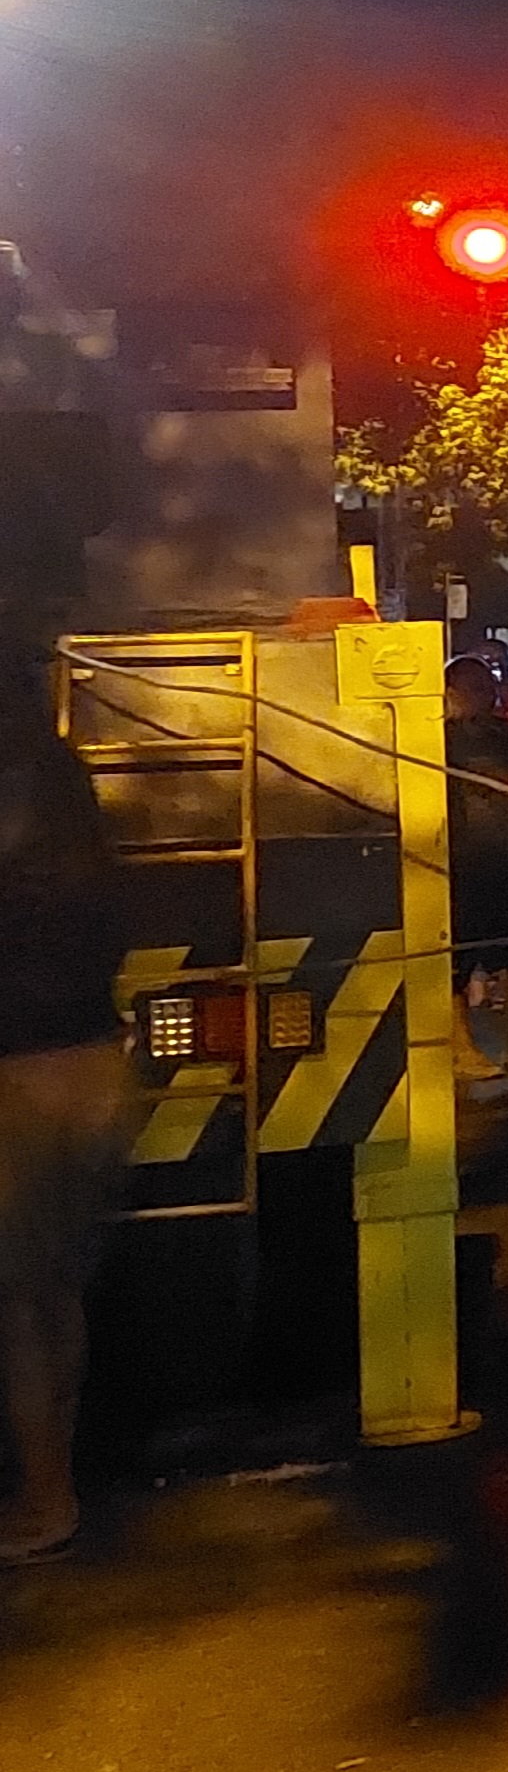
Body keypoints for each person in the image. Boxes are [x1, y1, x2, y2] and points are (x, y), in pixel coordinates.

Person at [0, 667, 129, 1562]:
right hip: (96, 1064)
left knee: (17, 1305)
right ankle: (58, 1485)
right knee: (54, 1296)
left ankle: (48, 1501)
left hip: (18, 1074)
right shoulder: (68, 790)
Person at [442, 658, 508, 1040]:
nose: (486, 696)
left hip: (505, 857)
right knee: (458, 964)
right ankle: (462, 1048)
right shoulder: (438, 737)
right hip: (461, 862)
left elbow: (507, 774)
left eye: (488, 688)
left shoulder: (501, 732)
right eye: (476, 689)